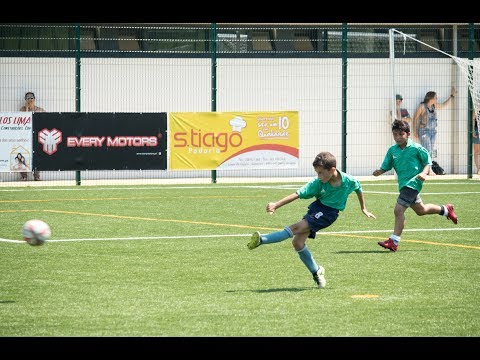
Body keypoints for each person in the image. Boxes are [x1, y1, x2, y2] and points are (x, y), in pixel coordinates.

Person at [247, 151, 376, 288]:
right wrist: (276, 205)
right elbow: (297, 194)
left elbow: (358, 188)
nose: (318, 176)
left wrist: (364, 208)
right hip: (317, 209)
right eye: (317, 173)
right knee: (297, 242)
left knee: (296, 227)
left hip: (329, 214)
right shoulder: (318, 183)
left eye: (320, 173)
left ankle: (262, 240)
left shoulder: (349, 180)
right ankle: (317, 271)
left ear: (332, 170)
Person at [372, 119, 458, 252]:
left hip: (414, 183)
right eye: (395, 134)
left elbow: (427, 161)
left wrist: (424, 173)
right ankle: (446, 210)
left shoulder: (416, 148)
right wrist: (379, 171)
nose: (398, 137)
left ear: (408, 134)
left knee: (398, 210)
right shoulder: (392, 150)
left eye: (401, 134)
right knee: (421, 210)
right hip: (404, 184)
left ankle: (394, 241)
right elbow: (387, 165)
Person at [412, 88, 457, 174]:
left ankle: (428, 169)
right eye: (436, 97)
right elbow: (415, 118)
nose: (437, 99)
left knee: (430, 151)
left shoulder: (434, 106)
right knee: (427, 150)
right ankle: (429, 170)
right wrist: (414, 131)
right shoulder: (422, 107)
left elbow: (444, 105)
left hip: (433, 132)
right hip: (424, 131)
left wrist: (451, 96)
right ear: (431, 98)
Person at [19, 91, 45, 181]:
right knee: (22, 155)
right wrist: (27, 108)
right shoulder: (22, 109)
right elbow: (22, 120)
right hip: (25, 137)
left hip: (36, 136)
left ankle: (36, 176)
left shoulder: (40, 110)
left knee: (37, 156)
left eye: (31, 98)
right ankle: (24, 176)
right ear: (25, 100)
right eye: (28, 99)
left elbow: (45, 120)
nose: (30, 100)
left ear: (34, 99)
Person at [473, 110, 480, 175]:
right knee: (477, 151)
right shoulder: (477, 104)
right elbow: (473, 117)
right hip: (477, 129)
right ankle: (479, 169)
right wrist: (472, 130)